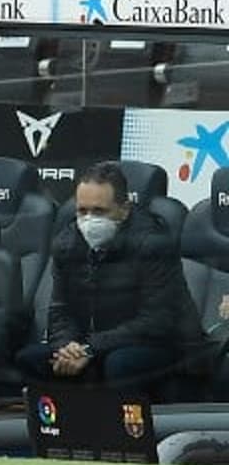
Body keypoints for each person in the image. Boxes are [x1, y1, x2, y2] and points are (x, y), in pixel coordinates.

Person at [15, 161, 200, 393]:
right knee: (31, 358)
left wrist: (89, 347)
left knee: (119, 364)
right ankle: (63, 425)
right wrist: (68, 347)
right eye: (82, 211)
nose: (89, 220)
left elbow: (157, 321)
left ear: (124, 209)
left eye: (99, 211)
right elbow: (60, 311)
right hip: (93, 345)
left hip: (160, 345)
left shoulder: (154, 243)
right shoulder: (67, 244)